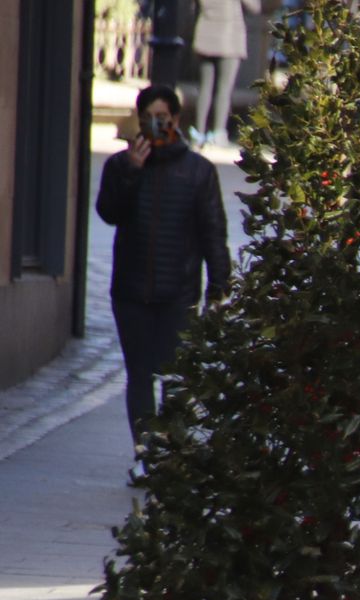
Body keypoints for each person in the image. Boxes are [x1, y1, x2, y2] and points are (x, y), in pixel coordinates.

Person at [95, 84, 230, 444]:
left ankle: (169, 453)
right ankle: (144, 451)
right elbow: (109, 213)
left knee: (174, 376)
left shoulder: (198, 171)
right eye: (148, 119)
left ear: (175, 120)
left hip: (178, 292)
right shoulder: (120, 165)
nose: (155, 126)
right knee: (139, 375)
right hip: (131, 291)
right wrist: (131, 171)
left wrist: (220, 285)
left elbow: (213, 231)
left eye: (162, 119)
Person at [191, 0, 260, 148]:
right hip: (229, 37)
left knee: (204, 87)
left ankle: (198, 134)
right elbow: (255, 7)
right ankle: (218, 133)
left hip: (205, 33)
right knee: (224, 89)